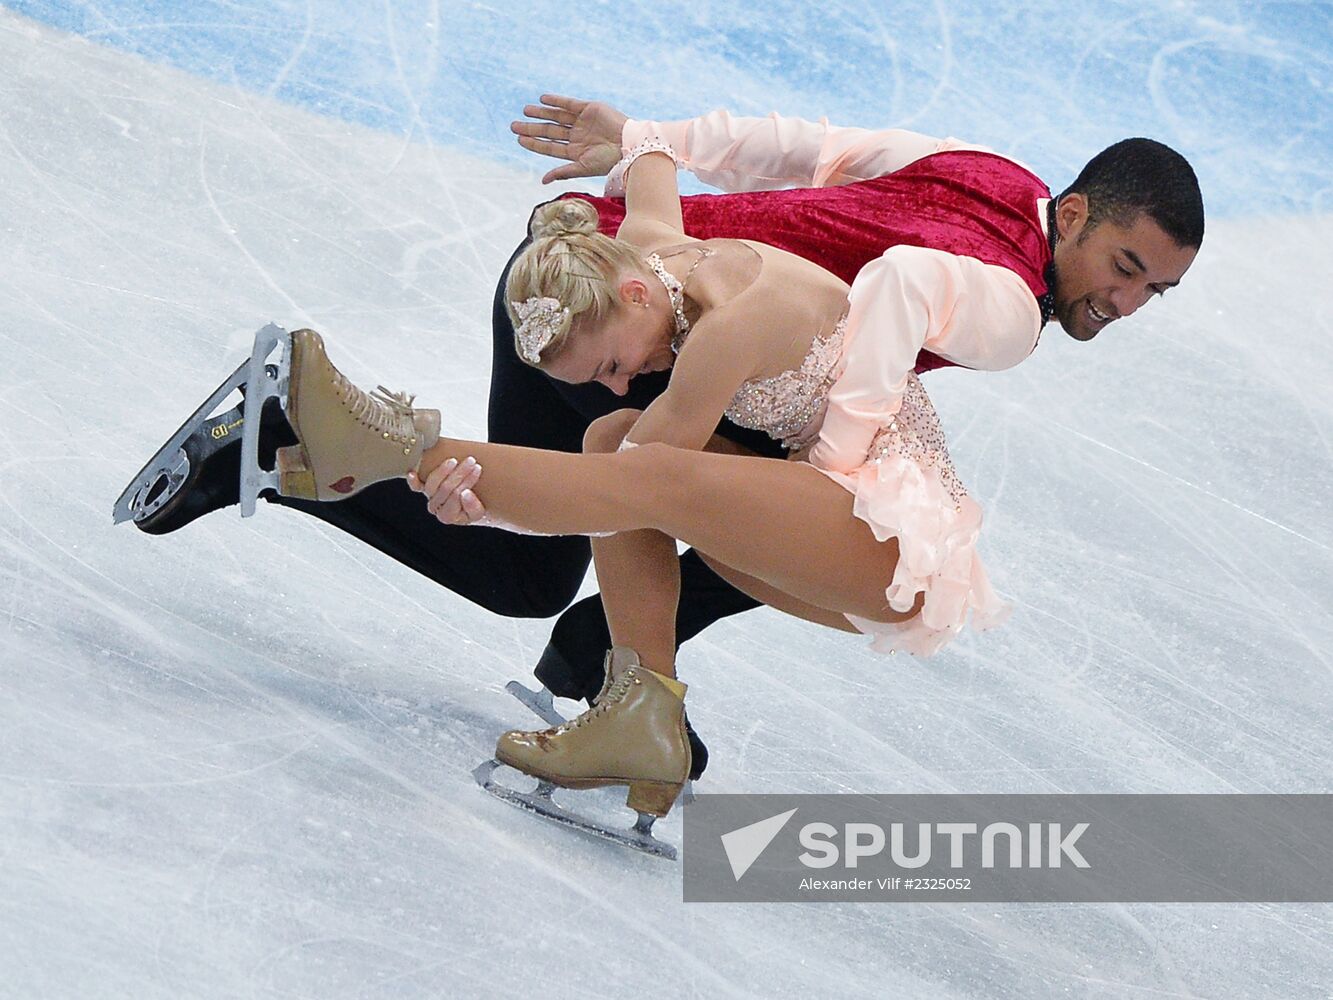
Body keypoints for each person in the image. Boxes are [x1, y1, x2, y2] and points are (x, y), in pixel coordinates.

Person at [129, 97, 1203, 780]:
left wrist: (653, 143)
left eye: (1154, 289)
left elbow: (810, 146)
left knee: (633, 474)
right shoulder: (1011, 305)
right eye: (1123, 268)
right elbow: (904, 281)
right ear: (1071, 217)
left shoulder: (984, 173)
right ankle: (302, 437)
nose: (1127, 301)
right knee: (544, 549)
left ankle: (618, 670)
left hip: (596, 277)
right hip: (617, 322)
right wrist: (839, 462)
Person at [244, 133, 1047, 816]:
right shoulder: (660, 256)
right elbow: (653, 162)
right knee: (609, 432)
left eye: (615, 361)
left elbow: (626, 491)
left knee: (644, 465)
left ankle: (382, 447)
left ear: (631, 294)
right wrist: (627, 137)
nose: (624, 378)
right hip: (814, 518)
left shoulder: (733, 325)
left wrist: (464, 492)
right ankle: (640, 711)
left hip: (893, 551)